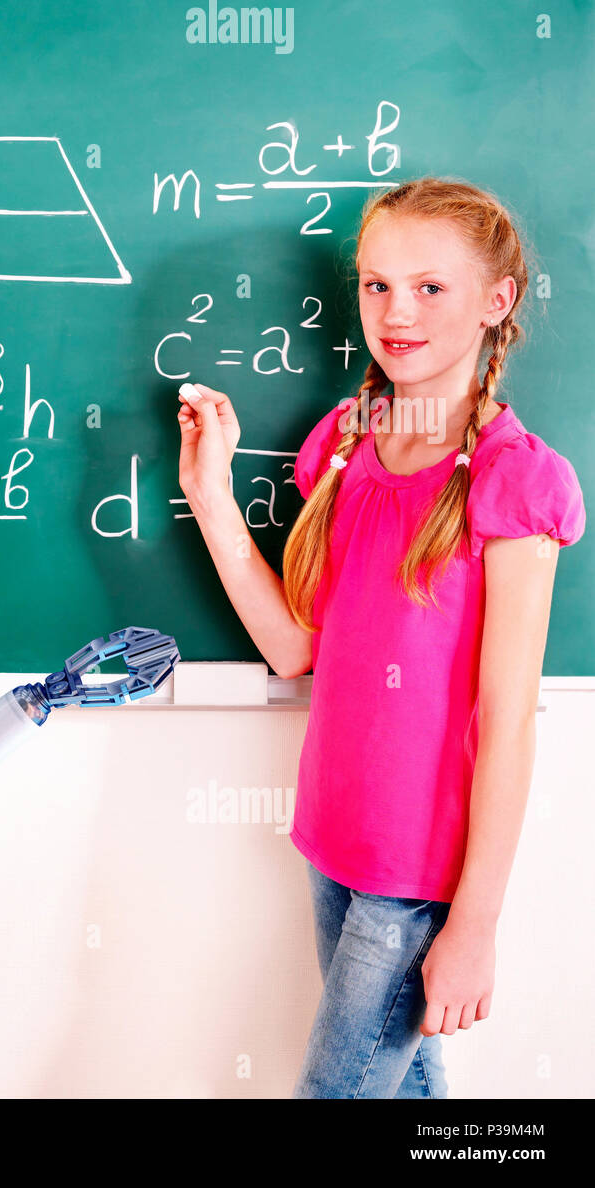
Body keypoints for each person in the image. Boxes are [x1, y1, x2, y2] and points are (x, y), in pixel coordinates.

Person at [175, 177, 586, 1098]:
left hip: (416, 872)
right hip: (334, 835)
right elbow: (293, 645)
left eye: (430, 287)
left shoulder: (518, 484)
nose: (395, 312)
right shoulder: (346, 443)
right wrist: (210, 493)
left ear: (498, 301)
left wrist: (474, 923)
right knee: (403, 1091)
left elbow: (509, 723)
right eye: (375, 285)